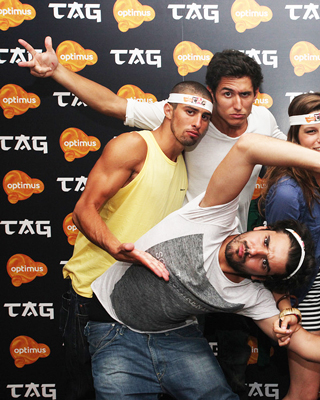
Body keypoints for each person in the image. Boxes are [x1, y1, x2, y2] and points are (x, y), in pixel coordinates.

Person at [18, 36, 320, 398]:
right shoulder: (184, 116)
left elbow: (290, 147)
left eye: (246, 95)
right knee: (89, 383)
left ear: (256, 95)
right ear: (210, 94)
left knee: (227, 371)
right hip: (140, 270)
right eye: (227, 95)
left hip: (224, 263)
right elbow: (113, 104)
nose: (237, 105)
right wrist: (58, 71)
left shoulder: (260, 120)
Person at [86, 133, 320, 400]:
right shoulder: (212, 216)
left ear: (262, 278)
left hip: (173, 335)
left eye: (265, 264)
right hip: (114, 327)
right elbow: (247, 147)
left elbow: (307, 345)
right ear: (260, 229)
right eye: (266, 242)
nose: (255, 252)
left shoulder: (248, 295)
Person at [60, 82, 212, 399]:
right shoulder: (135, 146)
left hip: (135, 303)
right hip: (89, 296)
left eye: (205, 117)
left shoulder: (183, 164)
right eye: (190, 111)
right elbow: (83, 210)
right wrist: (116, 249)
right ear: (168, 110)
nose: (197, 123)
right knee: (82, 393)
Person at [260, 92, 320, 400]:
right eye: (311, 131)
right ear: (295, 138)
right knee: (305, 393)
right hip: (303, 302)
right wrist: (288, 307)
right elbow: (274, 262)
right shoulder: (287, 192)